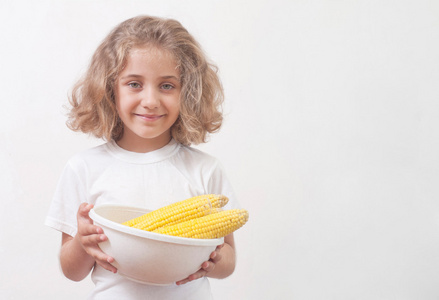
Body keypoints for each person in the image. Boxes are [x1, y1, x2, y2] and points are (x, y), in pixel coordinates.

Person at [45, 15, 239, 300]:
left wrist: (215, 262)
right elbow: (72, 271)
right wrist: (82, 243)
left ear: (188, 92)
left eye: (167, 86)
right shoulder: (84, 168)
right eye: (134, 84)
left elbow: (229, 260)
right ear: (109, 89)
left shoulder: (205, 170)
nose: (150, 101)